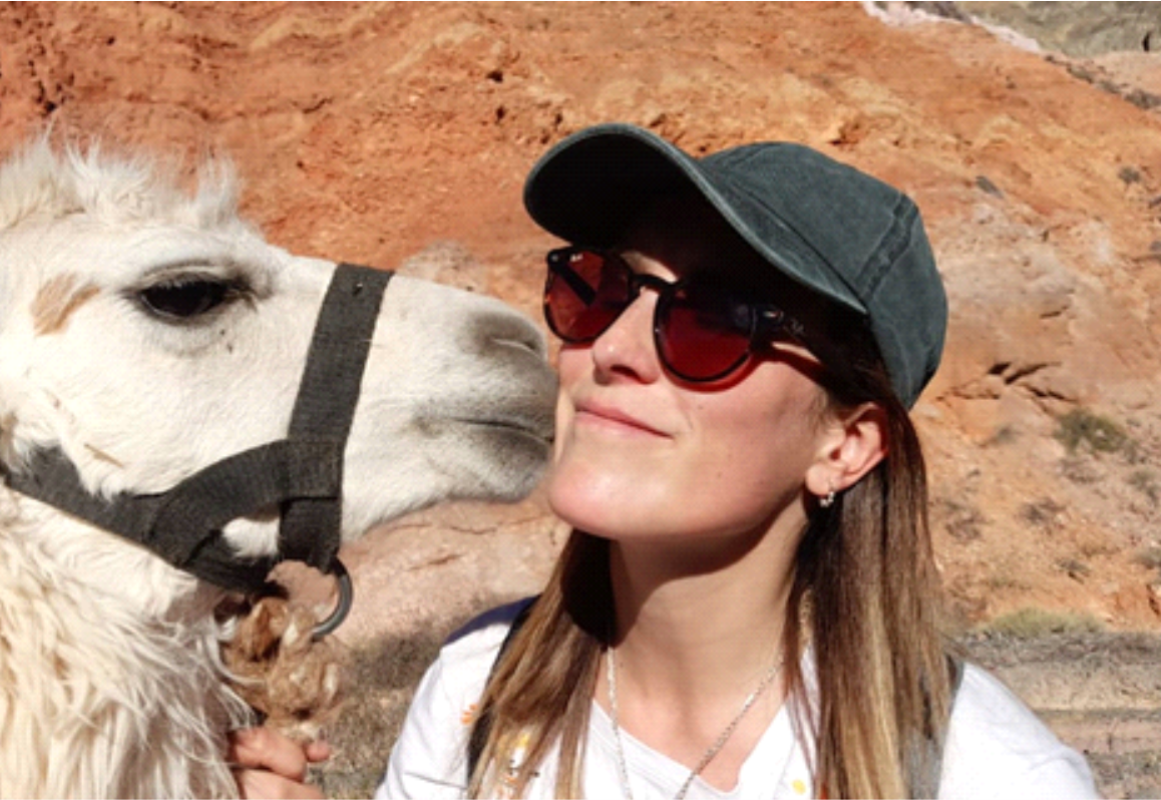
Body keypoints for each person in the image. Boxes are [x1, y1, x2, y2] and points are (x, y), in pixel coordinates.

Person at [239, 122, 1099, 800]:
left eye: (715, 321)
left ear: (845, 445)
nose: (613, 348)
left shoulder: (990, 778)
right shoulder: (478, 694)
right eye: (599, 289)